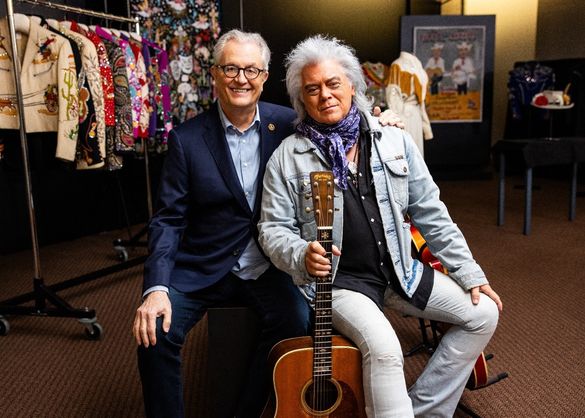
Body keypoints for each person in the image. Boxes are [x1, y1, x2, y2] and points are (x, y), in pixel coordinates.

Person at [132, 29, 402, 418]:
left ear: (264, 75)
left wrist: (379, 120)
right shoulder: (185, 140)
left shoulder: (289, 124)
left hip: (268, 266)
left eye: (251, 70)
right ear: (214, 74)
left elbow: (340, 118)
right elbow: (168, 220)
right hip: (203, 265)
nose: (241, 78)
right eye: (231, 68)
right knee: (154, 333)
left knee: (296, 323)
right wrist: (156, 288)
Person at [258, 35, 503, 417]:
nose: (325, 95)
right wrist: (300, 254)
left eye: (333, 83)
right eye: (313, 88)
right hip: (340, 284)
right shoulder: (286, 158)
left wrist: (470, 273)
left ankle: (422, 409)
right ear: (302, 100)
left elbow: (430, 211)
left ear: (352, 85)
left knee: (484, 313)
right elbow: (271, 230)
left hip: (399, 272)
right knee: (385, 348)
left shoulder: (393, 139)